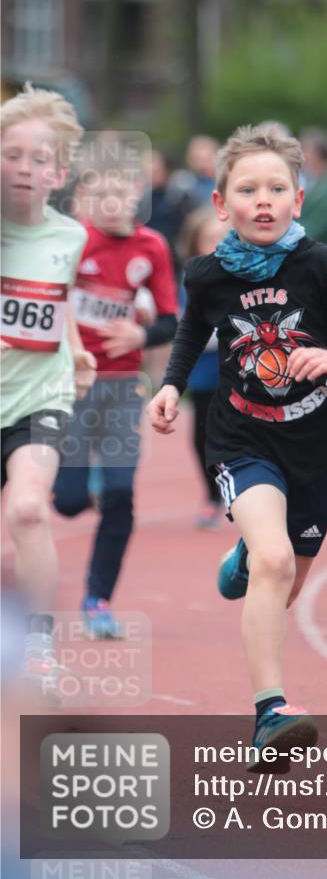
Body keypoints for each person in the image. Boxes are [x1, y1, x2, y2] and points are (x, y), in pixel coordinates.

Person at [148, 123, 327, 765]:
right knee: (275, 561)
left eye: (276, 189)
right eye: (247, 190)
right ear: (220, 203)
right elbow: (192, 330)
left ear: (298, 198)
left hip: (321, 443)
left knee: (280, 582)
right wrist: (171, 386)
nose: (262, 200)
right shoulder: (208, 274)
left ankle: (244, 558)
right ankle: (270, 713)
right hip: (243, 436)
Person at [52, 144, 178, 639]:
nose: (111, 203)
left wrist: (139, 335)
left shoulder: (152, 248)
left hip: (123, 387)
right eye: (100, 193)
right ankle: (79, 487)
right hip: (70, 386)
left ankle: (97, 599)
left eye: (120, 192)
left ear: (136, 194)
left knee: (122, 494)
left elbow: (170, 321)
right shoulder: (72, 242)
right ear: (85, 196)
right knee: (66, 502)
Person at [0, 84, 97, 691]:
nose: (24, 168)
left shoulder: (70, 237)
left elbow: (52, 303)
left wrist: (76, 346)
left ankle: (37, 649)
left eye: (39, 159)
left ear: (58, 173)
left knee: (29, 508)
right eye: (12, 154)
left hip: (39, 398)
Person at [176, 207, 229, 529]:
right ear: (195, 244)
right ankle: (212, 495)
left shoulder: (249, 275)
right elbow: (188, 328)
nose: (218, 245)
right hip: (205, 374)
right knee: (202, 438)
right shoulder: (192, 281)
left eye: (225, 237)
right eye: (210, 239)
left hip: (243, 374)